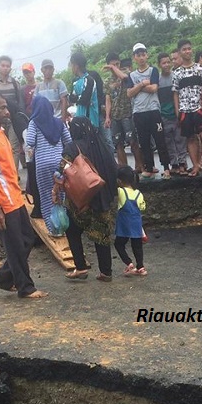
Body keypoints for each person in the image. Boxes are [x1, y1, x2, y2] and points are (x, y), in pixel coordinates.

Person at [0, 91, 48, 300]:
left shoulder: (0, 133)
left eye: (6, 107)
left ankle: (4, 279)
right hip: (3, 203)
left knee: (27, 239)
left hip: (15, 197)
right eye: (2, 108)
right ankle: (26, 288)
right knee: (16, 245)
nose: (7, 112)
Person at [58, 117, 119, 282]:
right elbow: (114, 169)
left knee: (72, 231)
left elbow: (61, 169)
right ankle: (106, 272)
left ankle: (81, 267)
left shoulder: (72, 147)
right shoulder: (102, 146)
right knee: (101, 234)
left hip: (81, 201)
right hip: (102, 198)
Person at [26, 96, 73, 234]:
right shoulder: (59, 122)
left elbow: (30, 142)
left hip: (42, 165)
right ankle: (64, 226)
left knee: (47, 195)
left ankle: (53, 229)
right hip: (60, 163)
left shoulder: (34, 123)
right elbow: (69, 141)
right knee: (61, 194)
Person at [128, 43, 172, 180]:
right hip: (138, 112)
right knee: (144, 142)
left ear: (147, 55)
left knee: (160, 140)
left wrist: (137, 88)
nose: (141, 58)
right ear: (134, 57)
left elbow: (154, 88)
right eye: (138, 55)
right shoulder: (131, 75)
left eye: (143, 55)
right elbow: (129, 93)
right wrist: (142, 84)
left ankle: (166, 168)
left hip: (153, 110)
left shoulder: (153, 71)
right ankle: (149, 167)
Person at [173, 39, 202, 177]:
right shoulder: (177, 73)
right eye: (184, 49)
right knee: (190, 138)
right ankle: (195, 166)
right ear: (180, 52)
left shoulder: (200, 68)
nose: (187, 51)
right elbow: (175, 92)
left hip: (198, 108)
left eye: (189, 48)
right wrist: (178, 111)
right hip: (184, 110)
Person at [0, 55, 27, 168]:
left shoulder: (15, 83)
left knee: (14, 147)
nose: (5, 68)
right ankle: (3, 172)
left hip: (13, 120)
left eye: (8, 66)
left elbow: (20, 103)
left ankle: (13, 175)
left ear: (10, 68)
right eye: (3, 65)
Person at [102, 53, 137, 167]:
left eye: (117, 64)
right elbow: (108, 99)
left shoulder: (126, 73)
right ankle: (124, 168)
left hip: (127, 113)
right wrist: (107, 117)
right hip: (115, 115)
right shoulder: (107, 81)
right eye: (113, 65)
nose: (116, 66)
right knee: (118, 144)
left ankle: (139, 167)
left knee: (133, 141)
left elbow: (124, 78)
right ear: (108, 65)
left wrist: (114, 68)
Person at [158, 52, 188, 175]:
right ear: (159, 64)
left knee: (180, 140)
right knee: (168, 141)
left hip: (176, 113)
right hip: (164, 115)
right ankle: (174, 164)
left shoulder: (176, 76)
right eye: (163, 63)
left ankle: (182, 164)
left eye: (168, 62)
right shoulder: (157, 79)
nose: (166, 65)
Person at [114, 166, 147, 276]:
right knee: (137, 246)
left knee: (118, 244)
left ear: (119, 180)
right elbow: (142, 207)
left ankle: (128, 262)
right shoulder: (139, 193)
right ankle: (141, 267)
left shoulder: (121, 191)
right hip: (136, 224)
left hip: (124, 224)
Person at [69, 52, 100, 128]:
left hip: (90, 120)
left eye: (71, 65)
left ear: (76, 66)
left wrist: (76, 98)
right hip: (79, 119)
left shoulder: (89, 80)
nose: (71, 67)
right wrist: (77, 98)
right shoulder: (75, 81)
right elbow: (71, 98)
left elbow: (85, 99)